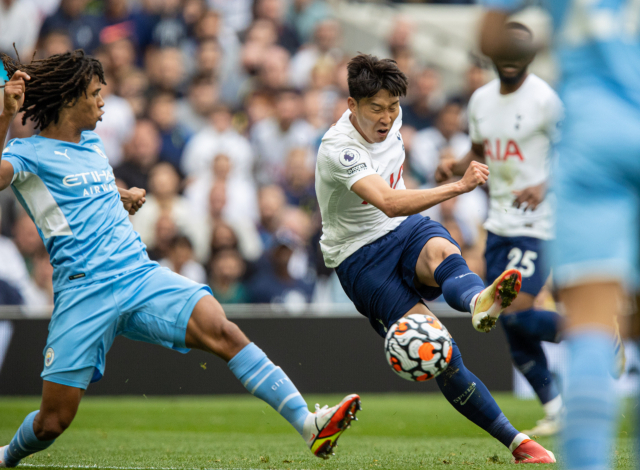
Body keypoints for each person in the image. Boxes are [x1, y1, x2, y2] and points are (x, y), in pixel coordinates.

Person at [0, 50, 360, 467]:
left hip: (138, 274)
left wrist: (121, 194)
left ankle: (308, 424)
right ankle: (7, 456)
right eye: (97, 93)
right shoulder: (28, 154)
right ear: (70, 98)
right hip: (84, 292)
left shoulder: (93, 143)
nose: (104, 102)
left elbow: (81, 188)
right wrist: (6, 115)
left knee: (222, 329)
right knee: (52, 421)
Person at [315, 53, 554, 463]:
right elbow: (389, 201)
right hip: (360, 259)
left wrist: (450, 170)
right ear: (352, 105)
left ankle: (479, 302)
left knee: (443, 250)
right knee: (442, 354)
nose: (387, 117)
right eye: (376, 108)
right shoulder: (339, 149)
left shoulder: (394, 119)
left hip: (402, 232)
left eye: (393, 107)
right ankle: (517, 443)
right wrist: (459, 186)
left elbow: (396, 204)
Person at [478, 2, 640, 469]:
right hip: (513, 216)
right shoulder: (483, 107)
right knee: (518, 318)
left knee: (588, 320)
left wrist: (571, 37)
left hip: (594, 144)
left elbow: (492, 35)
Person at [435, 22, 565, 436]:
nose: (510, 58)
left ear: (530, 55)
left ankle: (591, 330)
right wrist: (452, 168)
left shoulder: (546, 99)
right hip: (499, 224)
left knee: (516, 312)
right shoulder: (480, 101)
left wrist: (544, 185)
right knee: (505, 321)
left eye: (519, 51)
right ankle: (557, 407)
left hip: (539, 223)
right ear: (492, 54)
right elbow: (478, 151)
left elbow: (575, 152)